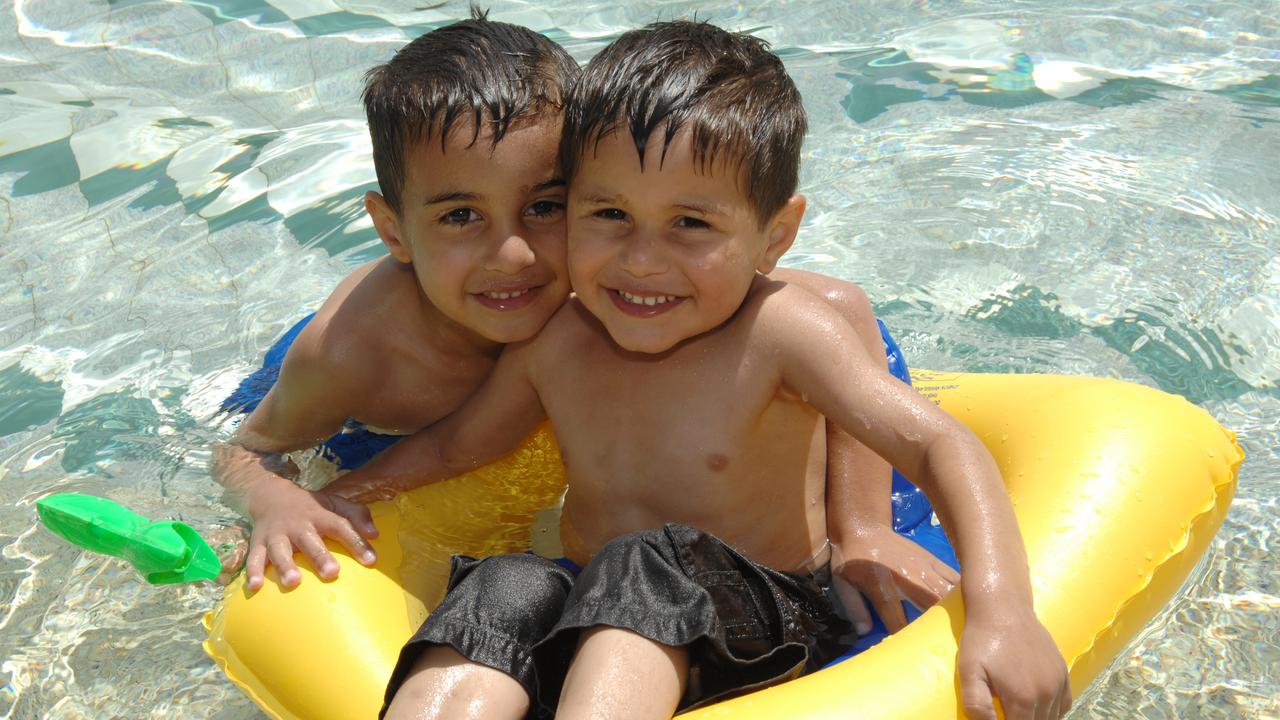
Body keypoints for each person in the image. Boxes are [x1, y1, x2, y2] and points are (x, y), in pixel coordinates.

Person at [323, 20, 1070, 720]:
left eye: (691, 223)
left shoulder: (780, 334)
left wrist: (1001, 609)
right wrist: (336, 498)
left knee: (645, 564)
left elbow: (945, 445)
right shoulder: (558, 339)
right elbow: (459, 447)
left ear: (774, 237)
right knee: (506, 580)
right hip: (601, 609)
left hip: (769, 618)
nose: (641, 260)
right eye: (608, 214)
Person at [211, 11, 578, 591]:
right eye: (461, 216)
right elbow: (241, 453)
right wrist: (274, 499)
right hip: (351, 414)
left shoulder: (589, 291)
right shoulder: (350, 354)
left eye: (545, 206)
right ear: (394, 232)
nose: (513, 255)